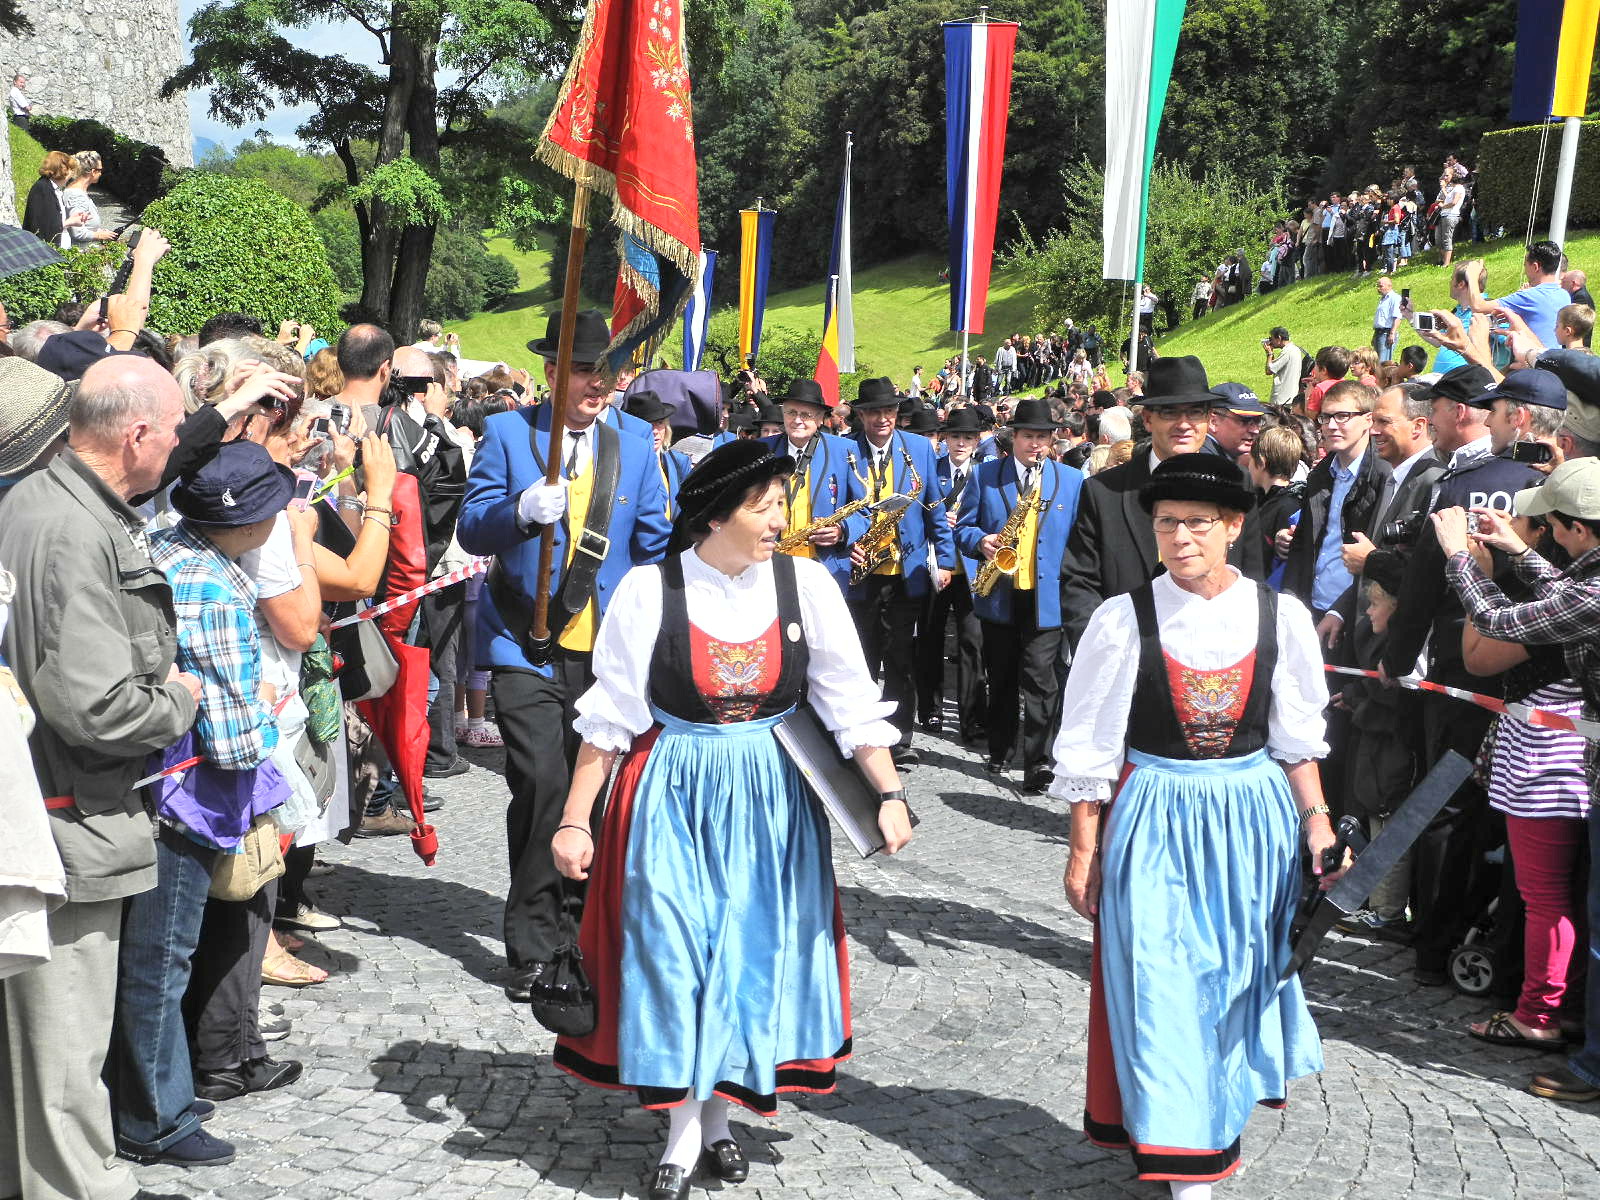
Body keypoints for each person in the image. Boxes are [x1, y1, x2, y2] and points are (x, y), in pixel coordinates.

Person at [547, 440, 912, 1200]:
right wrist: (576, 820)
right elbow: (609, 720)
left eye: (782, 502)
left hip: (771, 798)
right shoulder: (650, 591)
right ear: (717, 516)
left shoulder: (807, 586)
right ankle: (687, 1130)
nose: (782, 519)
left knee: (743, 959)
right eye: (765, 506)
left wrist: (889, 791)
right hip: (671, 791)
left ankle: (711, 1121)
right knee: (673, 954)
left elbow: (849, 701)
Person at [1055, 453, 1337, 1197]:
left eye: (1197, 524)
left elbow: (1297, 742)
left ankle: (1208, 1123)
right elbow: (1088, 748)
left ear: (1234, 527)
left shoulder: (1281, 616)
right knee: (1162, 984)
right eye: (1166, 523)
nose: (1180, 538)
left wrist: (1317, 826)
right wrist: (1083, 849)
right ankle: (1187, 1165)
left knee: (1234, 984)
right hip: (1153, 817)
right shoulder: (1123, 619)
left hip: (1252, 822)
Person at [0, 356, 202, 1200]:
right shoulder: (71, 527)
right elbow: (98, 708)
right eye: (177, 427)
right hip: (70, 823)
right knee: (64, 1055)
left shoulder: (55, 504)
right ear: (138, 434)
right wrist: (181, 700)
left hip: (62, 815)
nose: (181, 442)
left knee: (44, 1060)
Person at [457, 308, 671, 1004]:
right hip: (523, 645)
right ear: (551, 373)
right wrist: (520, 511)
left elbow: (654, 547)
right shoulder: (508, 433)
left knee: (593, 794)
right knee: (544, 781)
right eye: (582, 370)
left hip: (605, 654)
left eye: (605, 371)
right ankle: (531, 941)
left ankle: (578, 935)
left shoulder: (632, 443)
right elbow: (473, 528)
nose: (596, 383)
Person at [1430, 461, 1600, 1104]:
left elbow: (1499, 629)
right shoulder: (1588, 579)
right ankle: (1562, 1013)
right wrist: (1517, 550)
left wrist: (1461, 560)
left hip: (1553, 765)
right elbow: (1567, 594)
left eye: (1549, 525)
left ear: (1576, 529)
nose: (1546, 534)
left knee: (1547, 896)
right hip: (1569, 764)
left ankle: (1540, 1014)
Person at [1061, 356, 1266, 650]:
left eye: (1194, 412)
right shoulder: (1103, 492)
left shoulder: (1237, 483)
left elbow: (1251, 576)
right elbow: (1079, 585)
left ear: (1208, 420)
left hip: (1214, 656)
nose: (1184, 424)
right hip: (1128, 655)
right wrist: (1106, 652)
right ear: (1147, 419)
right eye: (1170, 412)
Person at [956, 398, 1082, 792]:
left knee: (1042, 681)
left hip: (1046, 598)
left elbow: (1080, 539)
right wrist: (981, 541)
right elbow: (963, 528)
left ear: (1052, 439)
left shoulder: (1071, 480)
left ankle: (1039, 761)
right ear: (1014, 438)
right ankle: (1000, 748)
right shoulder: (985, 475)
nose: (1036, 444)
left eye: (1043, 437)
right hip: (999, 594)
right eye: (1028, 436)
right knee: (1002, 677)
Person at [845, 377, 956, 767]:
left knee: (901, 657)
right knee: (862, 657)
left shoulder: (920, 448)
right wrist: (848, 541)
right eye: (874, 412)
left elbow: (934, 508)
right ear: (861, 416)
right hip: (861, 573)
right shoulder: (845, 449)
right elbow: (837, 508)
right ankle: (861, 737)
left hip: (905, 571)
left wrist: (945, 560)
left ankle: (899, 737)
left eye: (889, 411)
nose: (882, 418)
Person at [919, 406, 986, 743]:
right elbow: (917, 511)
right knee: (930, 637)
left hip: (971, 567)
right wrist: (938, 519)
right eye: (955, 436)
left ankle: (972, 718)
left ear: (976, 441)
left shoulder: (985, 473)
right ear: (945, 439)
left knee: (972, 642)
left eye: (968, 437)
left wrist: (969, 525)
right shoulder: (931, 469)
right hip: (935, 564)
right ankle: (930, 709)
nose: (961, 443)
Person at [762, 378, 865, 593]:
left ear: (819, 420)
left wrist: (841, 531)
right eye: (791, 412)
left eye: (806, 415)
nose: (797, 420)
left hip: (825, 567)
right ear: (783, 414)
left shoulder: (845, 450)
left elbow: (864, 509)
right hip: (768, 565)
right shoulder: (762, 449)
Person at [21, 150, 77, 248]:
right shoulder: (43, 189)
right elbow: (43, 226)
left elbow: (54, 219)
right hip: (47, 249)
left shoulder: (54, 189)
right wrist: (70, 222)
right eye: (70, 170)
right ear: (62, 169)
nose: (71, 175)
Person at [62, 152, 116, 244]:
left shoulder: (78, 192)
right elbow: (77, 233)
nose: (101, 173)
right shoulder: (76, 196)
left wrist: (100, 231)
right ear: (93, 172)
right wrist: (100, 235)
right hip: (78, 250)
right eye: (100, 170)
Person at [1264, 327, 1304, 410]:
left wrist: (1269, 354)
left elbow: (1269, 370)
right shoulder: (1295, 349)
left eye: (1271, 339)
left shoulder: (1287, 352)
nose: (1271, 342)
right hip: (1291, 396)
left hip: (1282, 399)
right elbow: (1273, 366)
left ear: (1279, 338)